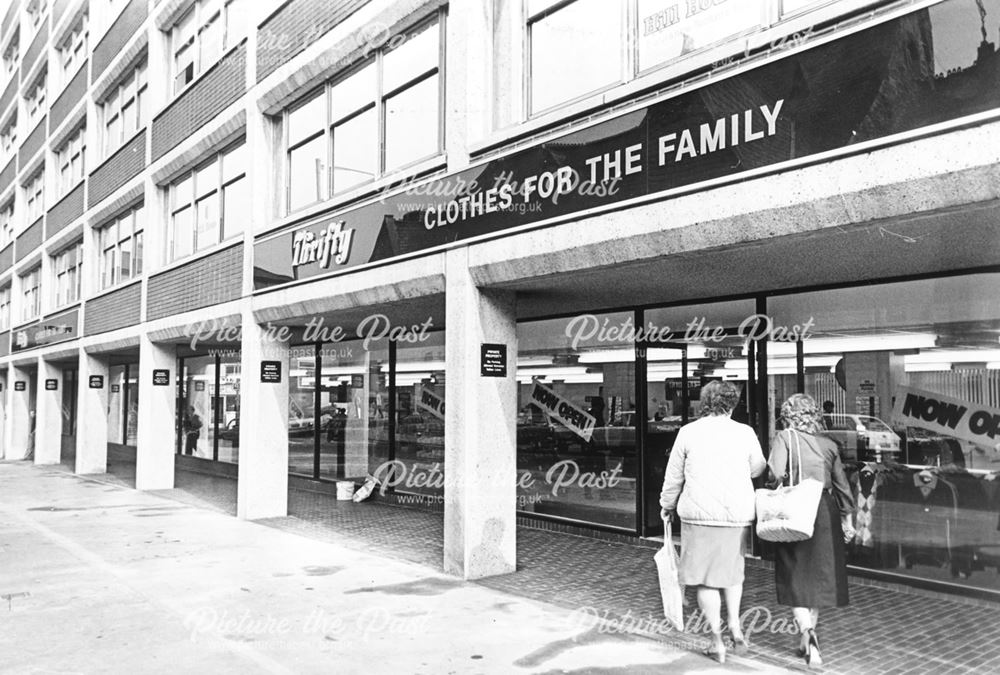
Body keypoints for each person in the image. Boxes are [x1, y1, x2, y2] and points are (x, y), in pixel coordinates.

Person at [660, 381, 766, 664]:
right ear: (732, 404)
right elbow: (758, 467)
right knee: (732, 573)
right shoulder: (745, 432)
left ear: (703, 402)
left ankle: (717, 641)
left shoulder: (688, 432)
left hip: (698, 516)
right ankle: (735, 625)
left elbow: (674, 477)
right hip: (735, 515)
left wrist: (666, 505)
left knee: (705, 580)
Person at [767, 393, 855, 667]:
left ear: (788, 415)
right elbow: (842, 485)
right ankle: (808, 641)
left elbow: (775, 474)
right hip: (824, 511)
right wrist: (848, 519)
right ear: (815, 415)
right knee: (817, 576)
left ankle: (807, 633)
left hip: (795, 511)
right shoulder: (829, 445)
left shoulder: (784, 438)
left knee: (795, 574)